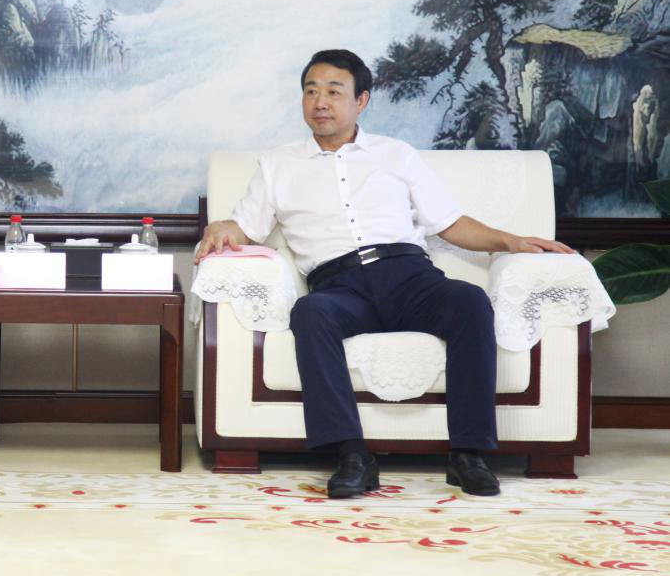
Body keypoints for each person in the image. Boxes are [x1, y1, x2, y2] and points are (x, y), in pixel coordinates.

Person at [195, 49, 573, 498]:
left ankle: (468, 454)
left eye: (334, 92)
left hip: (410, 277)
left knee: (470, 302)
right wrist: (221, 227)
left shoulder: (396, 155)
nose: (320, 102)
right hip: (338, 286)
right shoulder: (277, 164)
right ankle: (352, 456)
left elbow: (449, 223)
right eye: (311, 91)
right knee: (310, 313)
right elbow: (246, 226)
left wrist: (511, 241)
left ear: (361, 100)